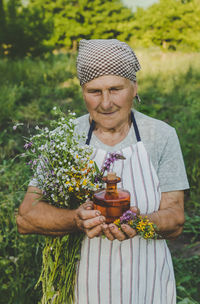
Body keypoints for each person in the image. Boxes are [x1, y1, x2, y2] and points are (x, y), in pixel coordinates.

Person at [17, 39, 189, 304]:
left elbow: (175, 219)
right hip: (81, 287)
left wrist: (140, 222)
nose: (106, 103)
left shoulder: (161, 136)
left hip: (146, 284)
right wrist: (75, 219)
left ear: (134, 88)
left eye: (115, 89)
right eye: (94, 91)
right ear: (82, 91)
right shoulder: (65, 138)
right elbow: (26, 217)